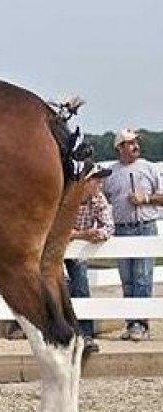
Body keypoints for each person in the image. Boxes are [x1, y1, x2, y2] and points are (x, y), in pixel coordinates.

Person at [102, 128, 162, 341]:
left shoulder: (149, 168)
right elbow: (104, 199)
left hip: (145, 225)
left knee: (143, 277)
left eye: (136, 142)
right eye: (129, 143)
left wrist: (145, 199)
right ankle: (131, 323)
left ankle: (141, 324)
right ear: (119, 148)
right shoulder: (110, 173)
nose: (135, 146)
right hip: (122, 228)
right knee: (127, 279)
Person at [65, 174, 114, 353]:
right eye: (96, 180)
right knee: (59, 290)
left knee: (80, 288)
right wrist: (86, 234)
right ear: (85, 182)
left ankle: (85, 334)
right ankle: (65, 334)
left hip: (77, 251)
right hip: (57, 250)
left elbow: (108, 227)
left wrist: (80, 235)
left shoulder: (97, 198)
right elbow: (58, 228)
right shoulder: (66, 195)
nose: (99, 184)